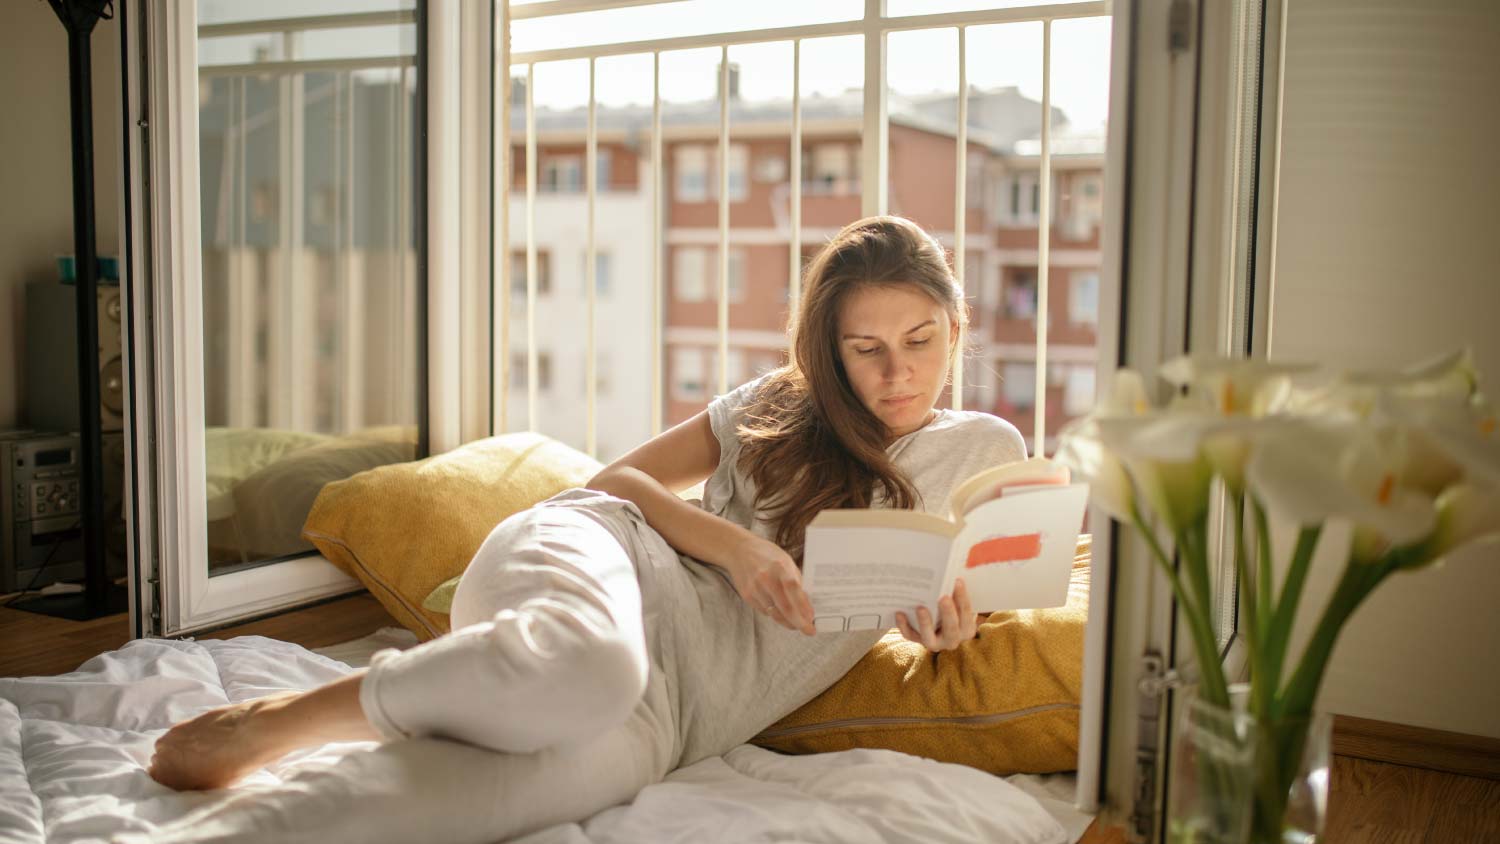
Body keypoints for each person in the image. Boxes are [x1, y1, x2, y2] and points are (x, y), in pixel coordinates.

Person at [146, 215, 1028, 840]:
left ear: (955, 329)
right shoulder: (776, 404)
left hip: (679, 712)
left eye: (919, 340)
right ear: (827, 348)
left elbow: (971, 597)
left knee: (422, 810)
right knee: (588, 666)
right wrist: (736, 543)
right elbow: (616, 478)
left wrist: (952, 629)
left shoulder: (987, 449)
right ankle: (271, 723)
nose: (897, 372)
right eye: (863, 348)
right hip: (613, 556)